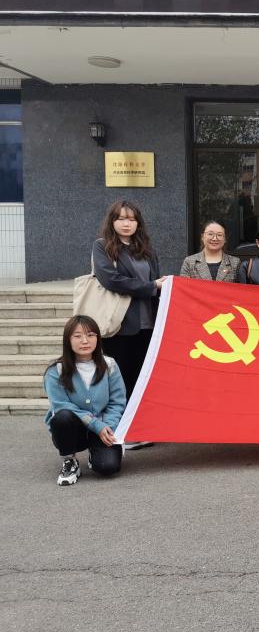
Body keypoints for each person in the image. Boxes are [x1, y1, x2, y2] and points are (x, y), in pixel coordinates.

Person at [92, 200, 165, 450]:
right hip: (119, 325)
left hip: (148, 325)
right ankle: (122, 430)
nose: (126, 223)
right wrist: (152, 286)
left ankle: (140, 427)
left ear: (138, 223)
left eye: (131, 219)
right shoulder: (102, 246)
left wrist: (162, 285)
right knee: (120, 379)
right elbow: (112, 280)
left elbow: (155, 282)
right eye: (121, 218)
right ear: (112, 221)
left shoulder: (146, 249)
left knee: (141, 378)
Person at [44, 315, 127, 486]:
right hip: (74, 429)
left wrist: (108, 427)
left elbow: (117, 402)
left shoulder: (109, 365)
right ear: (68, 340)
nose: (85, 341)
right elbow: (60, 405)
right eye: (77, 336)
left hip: (103, 426)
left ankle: (95, 453)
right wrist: (95, 425)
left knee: (107, 467)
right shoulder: (56, 370)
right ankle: (69, 460)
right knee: (62, 416)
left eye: (90, 335)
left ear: (97, 338)